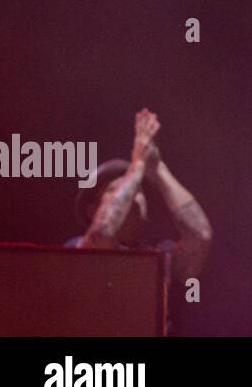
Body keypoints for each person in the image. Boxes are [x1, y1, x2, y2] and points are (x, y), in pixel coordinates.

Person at [67, 109, 213, 335]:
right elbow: (101, 237)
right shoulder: (75, 250)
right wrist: (137, 166)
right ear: (92, 210)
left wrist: (156, 168)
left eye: (138, 189)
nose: (134, 196)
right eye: (119, 189)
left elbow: (200, 236)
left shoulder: (162, 256)